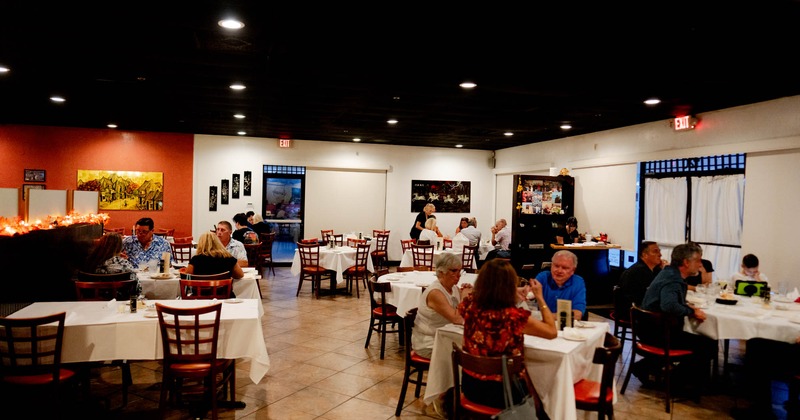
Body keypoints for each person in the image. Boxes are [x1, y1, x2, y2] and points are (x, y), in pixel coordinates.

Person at [457, 259, 557, 409]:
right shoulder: (513, 317)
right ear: (510, 286)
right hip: (505, 392)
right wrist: (540, 298)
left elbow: (473, 294)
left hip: (471, 386)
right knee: (543, 388)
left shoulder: (469, 306)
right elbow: (551, 332)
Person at [640, 242, 717, 395]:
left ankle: (647, 367)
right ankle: (676, 381)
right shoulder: (673, 279)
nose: (700, 264)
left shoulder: (669, 273)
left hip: (649, 326)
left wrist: (687, 305)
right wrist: (691, 311)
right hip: (657, 332)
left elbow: (671, 301)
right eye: (698, 260)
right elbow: (669, 306)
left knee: (705, 342)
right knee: (708, 344)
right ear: (686, 262)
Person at [412, 253, 472, 359]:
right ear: (441, 272)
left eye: (459, 271)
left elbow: (466, 313)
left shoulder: (454, 288)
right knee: (467, 356)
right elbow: (457, 319)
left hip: (446, 338)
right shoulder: (435, 292)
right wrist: (464, 298)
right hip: (429, 343)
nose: (458, 275)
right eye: (454, 271)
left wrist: (471, 295)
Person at [535, 250, 586, 320]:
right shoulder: (543, 277)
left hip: (565, 327)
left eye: (564, 268)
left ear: (573, 270)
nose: (559, 271)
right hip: (544, 326)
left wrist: (549, 317)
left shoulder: (578, 282)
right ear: (551, 265)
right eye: (556, 266)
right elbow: (527, 294)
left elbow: (577, 314)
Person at [619, 241, 667, 308]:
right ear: (645, 255)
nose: (660, 254)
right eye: (655, 251)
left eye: (659, 251)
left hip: (645, 304)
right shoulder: (639, 271)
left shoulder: (654, 269)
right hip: (637, 310)